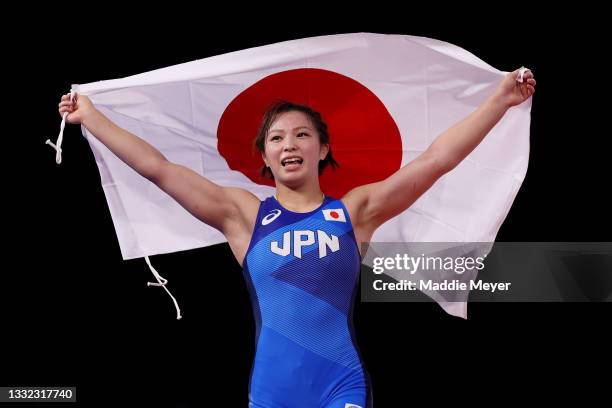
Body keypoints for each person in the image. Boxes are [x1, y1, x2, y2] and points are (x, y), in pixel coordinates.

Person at [58, 67, 535, 408]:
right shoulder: (243, 216)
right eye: (277, 138)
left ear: (322, 148)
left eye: (302, 135)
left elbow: (436, 160)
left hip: (341, 387)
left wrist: (499, 99)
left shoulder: (354, 212)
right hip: (270, 392)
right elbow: (158, 169)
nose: (290, 144)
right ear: (264, 157)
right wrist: (92, 118)